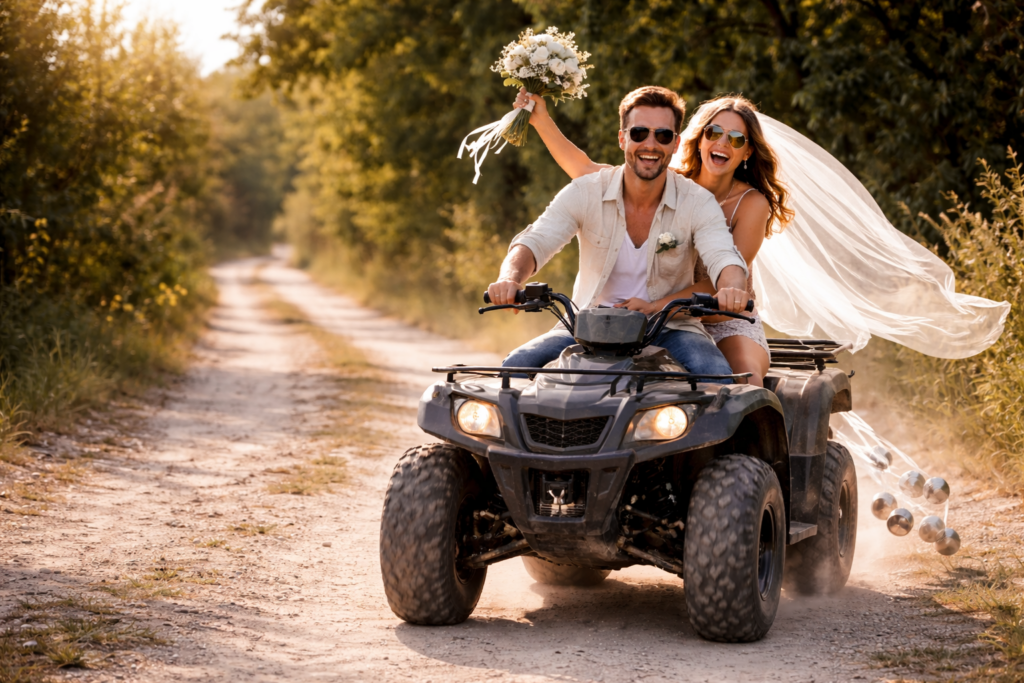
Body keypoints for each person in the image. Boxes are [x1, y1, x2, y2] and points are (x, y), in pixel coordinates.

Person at [513, 90, 793, 387]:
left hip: (701, 315)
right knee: (511, 370)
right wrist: (511, 279)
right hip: (597, 320)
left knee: (732, 380)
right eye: (714, 132)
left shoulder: (706, 201)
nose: (723, 143)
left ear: (674, 143)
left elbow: (727, 261)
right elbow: (576, 182)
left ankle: (755, 431)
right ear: (699, 139)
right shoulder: (651, 174)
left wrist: (729, 289)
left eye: (736, 138)